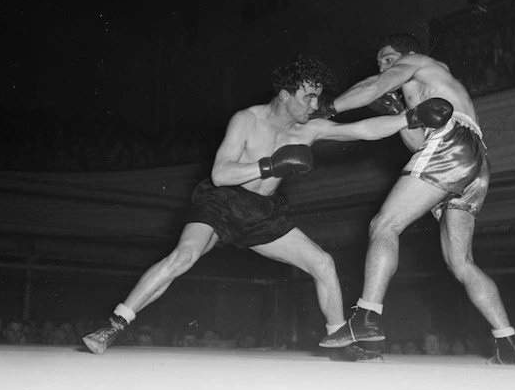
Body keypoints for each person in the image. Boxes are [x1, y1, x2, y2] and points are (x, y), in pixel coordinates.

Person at [82, 54, 452, 361]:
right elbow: (221, 173)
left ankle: (339, 338)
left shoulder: (308, 129)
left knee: (322, 263)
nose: (313, 105)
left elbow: (361, 131)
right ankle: (113, 326)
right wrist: (271, 166)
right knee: (184, 256)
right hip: (220, 203)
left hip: (262, 212)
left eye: (316, 98)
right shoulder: (247, 119)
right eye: (307, 97)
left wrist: (411, 118)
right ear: (284, 93)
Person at [315, 33, 515, 365]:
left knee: (384, 225)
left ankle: (367, 315)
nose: (386, 66)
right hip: (474, 161)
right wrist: (400, 112)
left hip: (451, 143)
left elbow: (372, 87)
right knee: (461, 262)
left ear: (407, 53)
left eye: (388, 58)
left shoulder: (418, 63)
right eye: (382, 61)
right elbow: (419, 146)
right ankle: (508, 343)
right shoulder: (426, 90)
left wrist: (327, 108)